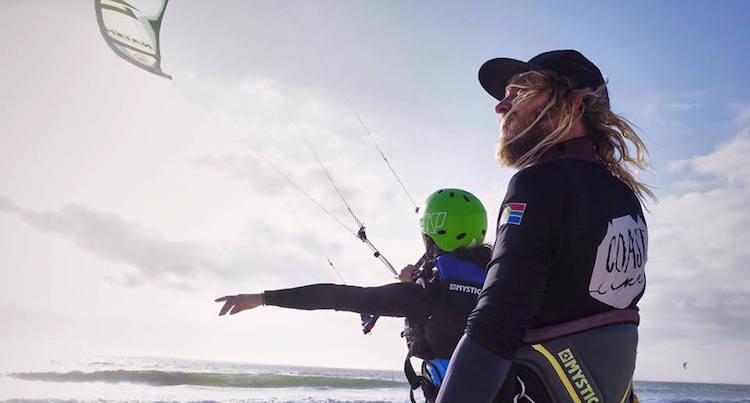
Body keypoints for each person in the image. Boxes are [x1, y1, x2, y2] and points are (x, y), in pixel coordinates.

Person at [436, 50, 653, 403]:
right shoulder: (626, 199)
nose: (502, 107)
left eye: (520, 92)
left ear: (573, 103)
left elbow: (493, 328)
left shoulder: (538, 185)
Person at [216, 188, 490, 402]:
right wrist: (418, 279)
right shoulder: (498, 285)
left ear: (430, 238)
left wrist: (262, 298)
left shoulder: (422, 295)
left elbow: (337, 297)